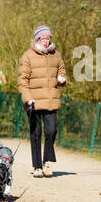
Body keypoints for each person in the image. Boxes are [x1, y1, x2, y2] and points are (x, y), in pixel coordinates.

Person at [17, 25, 66, 178]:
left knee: (51, 131)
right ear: (37, 39)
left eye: (48, 38)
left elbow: (61, 69)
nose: (46, 41)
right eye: (43, 38)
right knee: (36, 133)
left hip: (51, 100)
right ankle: (37, 166)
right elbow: (22, 80)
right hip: (34, 101)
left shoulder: (56, 55)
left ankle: (47, 162)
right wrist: (27, 98)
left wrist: (62, 78)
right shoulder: (28, 56)